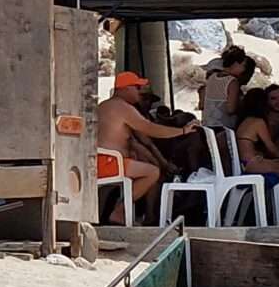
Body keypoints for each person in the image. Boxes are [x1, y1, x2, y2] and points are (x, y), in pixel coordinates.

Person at [95, 71, 196, 222]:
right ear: (125, 89)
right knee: (152, 172)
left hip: (101, 160)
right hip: (109, 163)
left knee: (147, 169)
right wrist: (182, 131)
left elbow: (140, 140)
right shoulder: (122, 108)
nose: (139, 92)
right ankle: (120, 211)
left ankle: (117, 214)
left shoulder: (104, 106)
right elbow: (150, 129)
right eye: (136, 87)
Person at [235, 88, 279, 194]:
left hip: (247, 163)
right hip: (253, 163)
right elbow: (271, 148)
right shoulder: (258, 122)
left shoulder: (244, 121)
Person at [199, 45, 253, 130]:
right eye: (243, 65)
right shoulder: (232, 82)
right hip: (223, 128)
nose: (244, 69)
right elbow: (230, 109)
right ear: (236, 64)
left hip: (207, 126)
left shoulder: (212, 77)